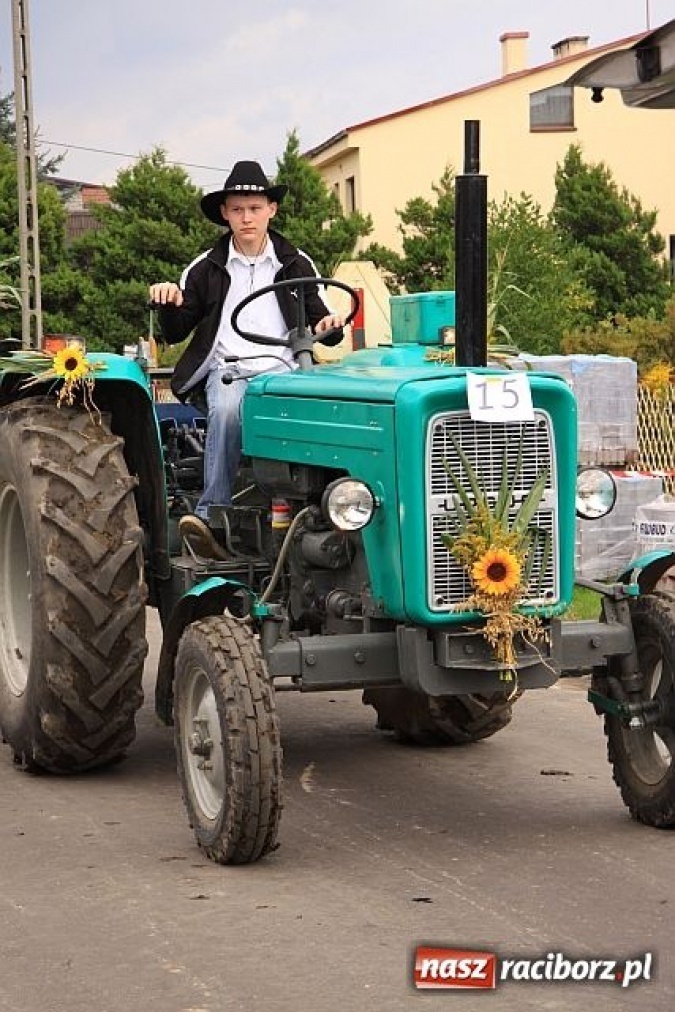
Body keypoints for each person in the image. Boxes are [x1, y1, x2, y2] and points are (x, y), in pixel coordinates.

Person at [149, 160, 344, 559]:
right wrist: (167, 301)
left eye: (254, 208)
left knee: (331, 417)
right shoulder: (206, 268)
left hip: (286, 372)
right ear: (225, 214)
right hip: (231, 369)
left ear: (271, 209)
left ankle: (332, 513)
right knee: (229, 411)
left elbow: (320, 318)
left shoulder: (295, 263)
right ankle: (212, 517)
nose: (246, 217)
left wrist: (329, 323)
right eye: (237, 209)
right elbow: (176, 329)